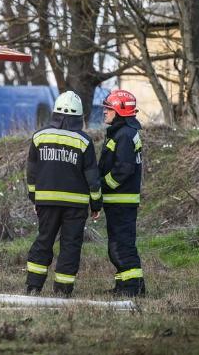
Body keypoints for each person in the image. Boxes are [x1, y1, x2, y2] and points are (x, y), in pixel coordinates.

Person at [25, 91, 102, 297]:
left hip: (47, 202)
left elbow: (31, 173)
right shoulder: (84, 142)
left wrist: (34, 198)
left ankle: (33, 286)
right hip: (75, 206)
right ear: (79, 117)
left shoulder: (39, 136)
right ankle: (63, 290)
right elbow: (92, 179)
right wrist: (96, 205)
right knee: (70, 245)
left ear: (55, 113)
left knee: (44, 240)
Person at [99, 89, 146, 297]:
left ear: (119, 110)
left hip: (121, 201)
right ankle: (125, 285)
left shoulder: (125, 135)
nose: (105, 112)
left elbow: (123, 169)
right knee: (118, 245)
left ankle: (132, 288)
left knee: (121, 246)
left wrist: (103, 184)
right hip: (118, 201)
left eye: (108, 108)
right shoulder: (123, 132)